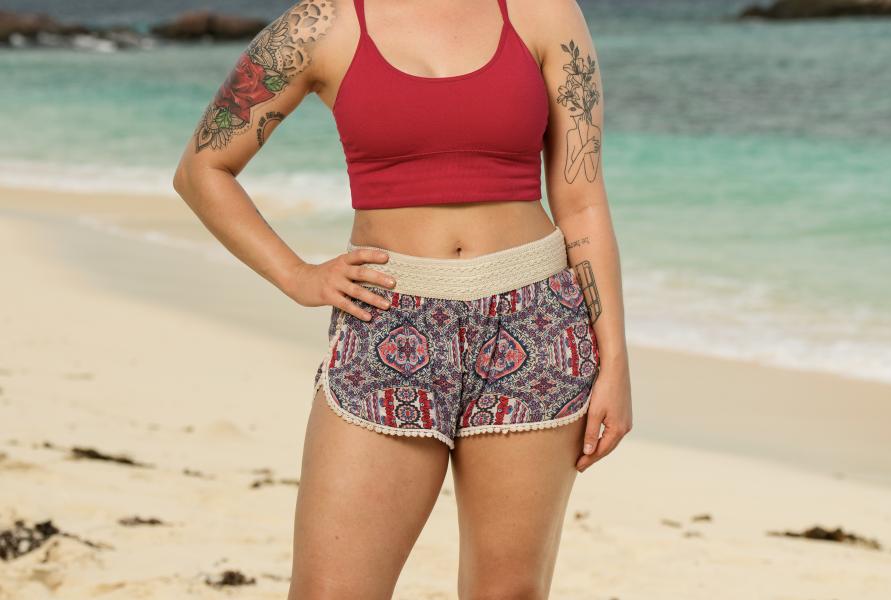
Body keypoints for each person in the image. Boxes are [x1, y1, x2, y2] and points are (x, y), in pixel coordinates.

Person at [172, 0, 632, 596]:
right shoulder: (321, 25)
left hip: (537, 320)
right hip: (385, 320)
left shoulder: (542, 12)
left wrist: (614, 361)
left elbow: (583, 200)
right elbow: (203, 169)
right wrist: (297, 276)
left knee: (508, 593)